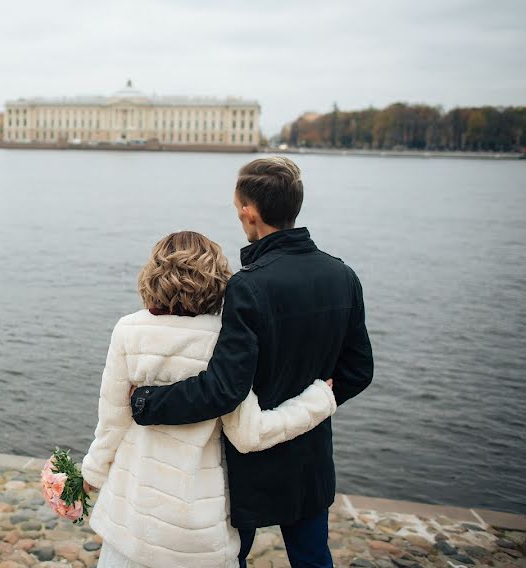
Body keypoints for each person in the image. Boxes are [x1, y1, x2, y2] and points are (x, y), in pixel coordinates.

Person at [129, 157, 375, 568]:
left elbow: (225, 388)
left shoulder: (248, 285)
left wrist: (146, 402)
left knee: (232, 557)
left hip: (251, 459)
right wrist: (316, 401)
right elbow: (358, 371)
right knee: (313, 558)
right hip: (310, 456)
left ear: (248, 211)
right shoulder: (342, 275)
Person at [81, 230, 339, 568]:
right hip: (197, 523)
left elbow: (112, 422)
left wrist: (90, 477)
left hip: (132, 513)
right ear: (218, 278)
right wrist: (319, 399)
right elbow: (250, 434)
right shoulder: (226, 338)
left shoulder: (128, 330)